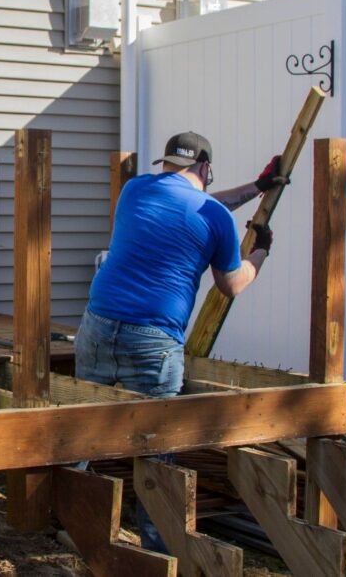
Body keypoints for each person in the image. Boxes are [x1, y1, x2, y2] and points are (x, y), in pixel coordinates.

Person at [75, 131, 285, 552]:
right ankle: (158, 549)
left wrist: (255, 188)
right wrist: (259, 254)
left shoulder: (135, 191)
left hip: (97, 326)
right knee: (157, 450)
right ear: (206, 168)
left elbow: (194, 205)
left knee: (81, 434)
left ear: (168, 164)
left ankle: (70, 520)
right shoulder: (214, 217)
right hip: (153, 342)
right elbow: (231, 285)